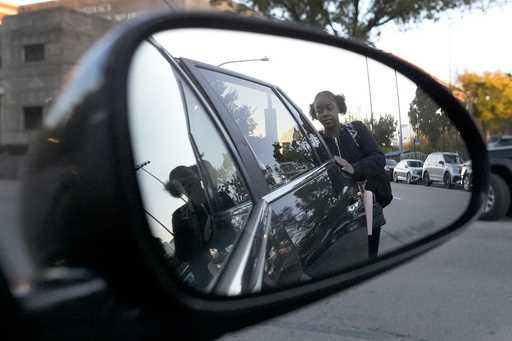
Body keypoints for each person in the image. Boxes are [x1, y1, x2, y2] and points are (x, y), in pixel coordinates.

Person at [309, 90, 386, 258]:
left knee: (369, 259)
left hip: (368, 207)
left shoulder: (356, 130)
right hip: (338, 216)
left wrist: (354, 168)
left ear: (339, 108)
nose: (325, 114)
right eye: (319, 111)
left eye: (329, 108)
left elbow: (379, 158)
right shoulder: (316, 143)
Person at [165, 165, 213, 289]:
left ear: (199, 179)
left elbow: (234, 232)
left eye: (190, 182)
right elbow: (182, 254)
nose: (188, 187)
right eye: (184, 185)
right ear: (179, 192)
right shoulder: (179, 216)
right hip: (208, 282)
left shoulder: (219, 198)